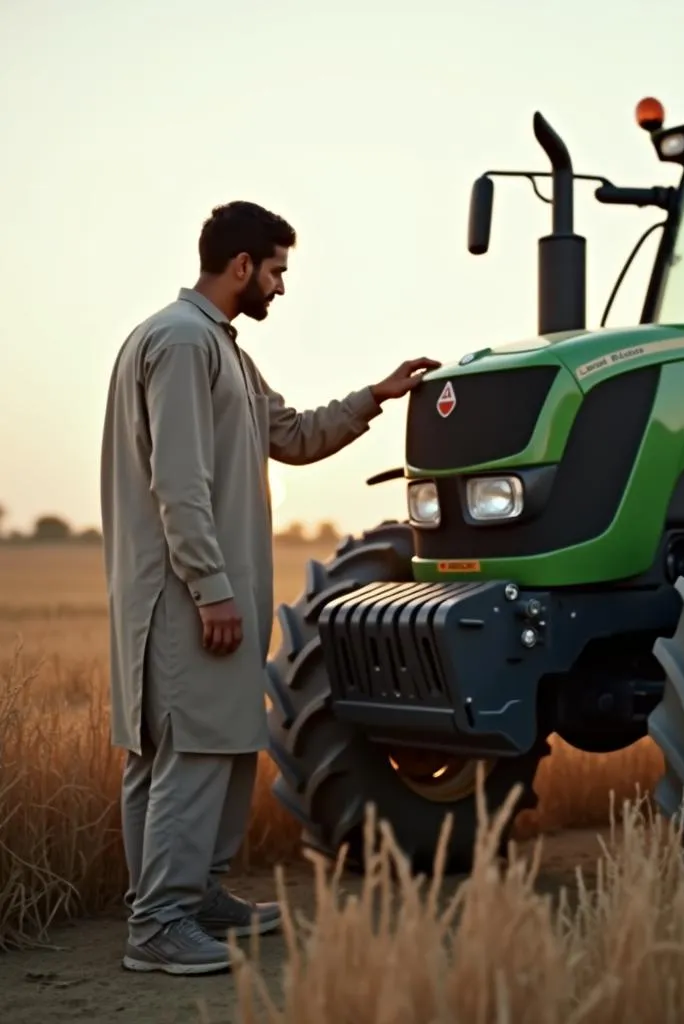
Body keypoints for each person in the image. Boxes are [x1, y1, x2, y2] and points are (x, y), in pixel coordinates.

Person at [100, 200, 440, 975]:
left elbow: (290, 435)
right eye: (278, 269)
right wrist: (213, 588)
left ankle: (194, 896)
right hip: (183, 599)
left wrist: (376, 396)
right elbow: (178, 485)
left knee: (192, 751)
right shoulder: (184, 343)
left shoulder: (217, 348)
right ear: (243, 264)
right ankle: (158, 924)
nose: (282, 287)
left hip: (187, 593)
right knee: (190, 750)